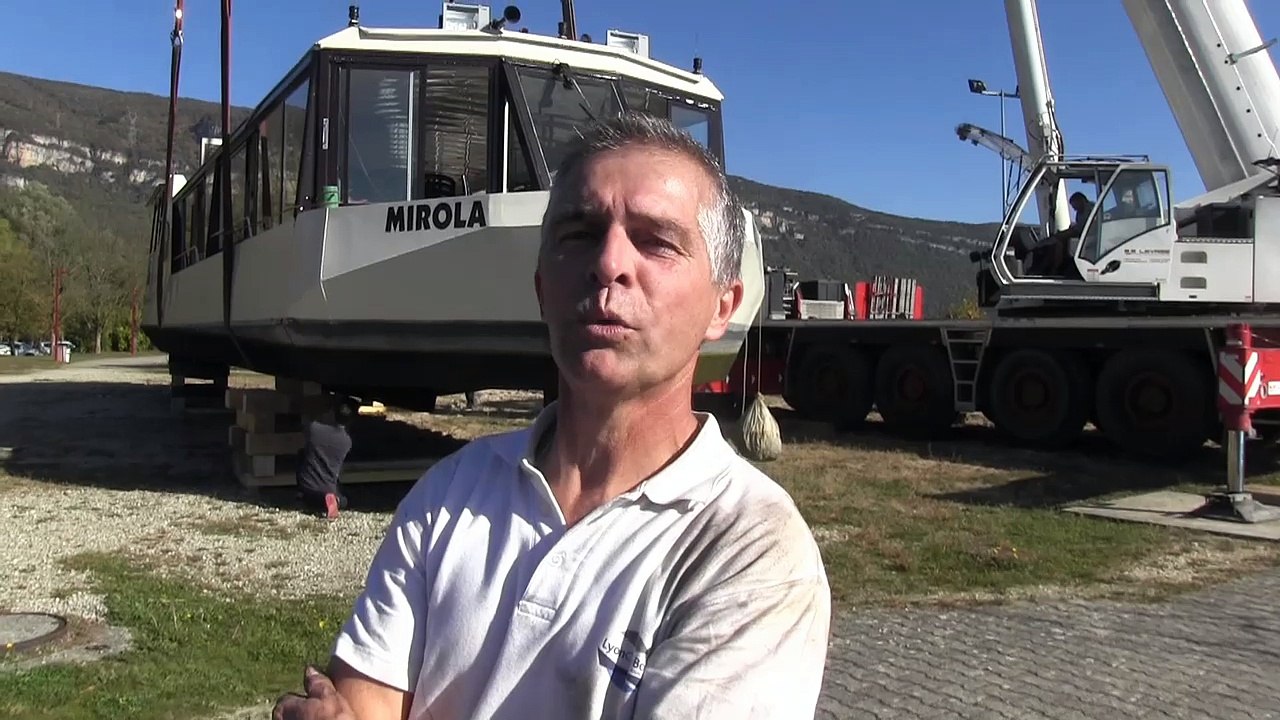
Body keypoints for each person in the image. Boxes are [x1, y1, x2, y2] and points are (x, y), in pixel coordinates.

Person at [272, 112, 831, 720]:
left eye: (655, 240)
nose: (609, 262)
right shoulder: (450, 492)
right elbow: (366, 701)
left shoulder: (751, 552)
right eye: (580, 232)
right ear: (543, 289)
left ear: (723, 307)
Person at [295, 397, 355, 520]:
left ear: (332, 413)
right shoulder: (346, 442)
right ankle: (336, 500)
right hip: (329, 487)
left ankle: (304, 494)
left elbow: (304, 424)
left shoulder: (314, 429)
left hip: (306, 486)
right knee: (345, 499)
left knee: (301, 453)